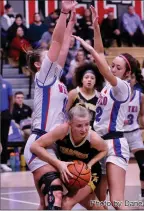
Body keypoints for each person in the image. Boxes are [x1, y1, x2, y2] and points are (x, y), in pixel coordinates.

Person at [73, 6, 144, 210]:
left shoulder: (122, 87)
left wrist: (90, 50)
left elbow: (100, 59)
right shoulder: (106, 86)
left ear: (127, 73)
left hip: (115, 144)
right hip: (100, 145)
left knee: (117, 201)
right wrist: (96, 28)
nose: (112, 68)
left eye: (118, 67)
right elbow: (102, 55)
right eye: (112, 65)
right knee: (97, 201)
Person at [24, 2, 77, 210]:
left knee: (46, 203)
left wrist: (71, 22)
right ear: (38, 64)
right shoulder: (43, 76)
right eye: (46, 55)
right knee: (54, 191)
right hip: (40, 142)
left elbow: (63, 46)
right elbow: (56, 42)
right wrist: (63, 13)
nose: (51, 56)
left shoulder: (55, 77)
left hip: (51, 144)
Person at [30, 105, 107, 210]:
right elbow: (35, 146)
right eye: (79, 126)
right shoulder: (63, 130)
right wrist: (58, 163)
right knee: (91, 205)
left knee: (66, 203)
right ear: (69, 123)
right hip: (67, 170)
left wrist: (90, 164)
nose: (84, 129)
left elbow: (105, 149)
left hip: (88, 173)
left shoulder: (93, 138)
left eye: (87, 124)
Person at [123, 71, 144, 200]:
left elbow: (141, 115)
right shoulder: (117, 95)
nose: (130, 79)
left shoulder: (140, 96)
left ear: (135, 80)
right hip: (120, 135)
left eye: (132, 78)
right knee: (118, 168)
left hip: (134, 133)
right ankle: (116, 197)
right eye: (127, 77)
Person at [66, 62, 104, 128]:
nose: (89, 80)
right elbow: (65, 113)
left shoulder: (99, 96)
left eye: (92, 78)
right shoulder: (73, 93)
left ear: (95, 81)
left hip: (92, 132)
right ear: (81, 80)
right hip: (74, 132)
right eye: (86, 77)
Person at [0, 75, 13, 172]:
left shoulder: (6, 83)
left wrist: (10, 113)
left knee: (4, 138)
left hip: (4, 114)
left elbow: (11, 99)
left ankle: (3, 162)